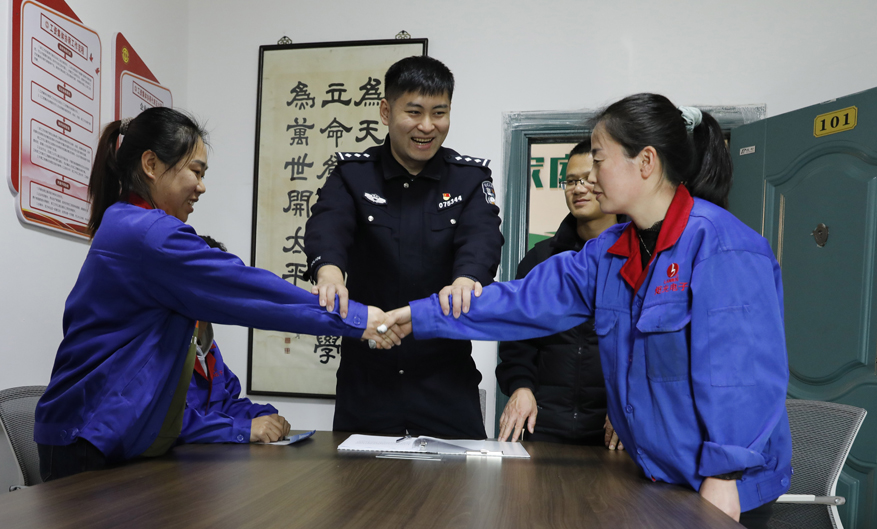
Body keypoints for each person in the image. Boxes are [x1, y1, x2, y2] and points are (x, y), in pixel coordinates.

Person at [388, 94, 792, 528]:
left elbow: (742, 375)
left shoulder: (723, 245)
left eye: (599, 159)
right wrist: (420, 315)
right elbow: (524, 300)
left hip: (725, 486)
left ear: (646, 161)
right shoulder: (610, 252)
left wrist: (725, 474)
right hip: (659, 476)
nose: (590, 177)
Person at [34, 107, 398, 482]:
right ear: (151, 165)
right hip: (88, 436)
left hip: (95, 432)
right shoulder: (150, 235)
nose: (201, 186)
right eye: (196, 171)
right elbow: (247, 290)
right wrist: (358, 319)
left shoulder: (126, 223)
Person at [303, 56, 503, 439]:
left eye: (439, 113)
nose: (427, 126)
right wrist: (329, 274)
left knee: (457, 479)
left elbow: (483, 237)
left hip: (446, 381)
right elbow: (328, 226)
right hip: (367, 383)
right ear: (386, 111)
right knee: (360, 479)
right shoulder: (352, 175)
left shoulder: (469, 179)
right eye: (414, 112)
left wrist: (467, 279)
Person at [496, 139, 618, 444]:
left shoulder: (640, 257)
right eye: (571, 181)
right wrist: (521, 386)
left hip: (612, 433)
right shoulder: (541, 259)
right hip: (543, 427)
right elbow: (516, 338)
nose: (578, 189)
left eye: (587, 179)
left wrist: (634, 406)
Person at [177, 236, 291, 445]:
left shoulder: (207, 347)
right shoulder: (162, 345)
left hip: (204, 461)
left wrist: (264, 416)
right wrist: (243, 428)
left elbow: (225, 404)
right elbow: (167, 423)